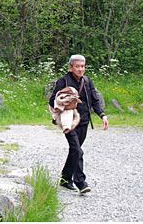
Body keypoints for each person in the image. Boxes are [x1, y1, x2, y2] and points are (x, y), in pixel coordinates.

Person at [48, 54, 108, 193]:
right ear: (70, 67)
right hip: (68, 122)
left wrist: (102, 115)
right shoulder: (63, 81)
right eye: (77, 66)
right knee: (77, 150)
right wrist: (66, 102)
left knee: (75, 150)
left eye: (82, 66)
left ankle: (65, 178)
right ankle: (81, 183)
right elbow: (52, 100)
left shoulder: (87, 81)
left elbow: (94, 100)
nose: (80, 69)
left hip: (84, 121)